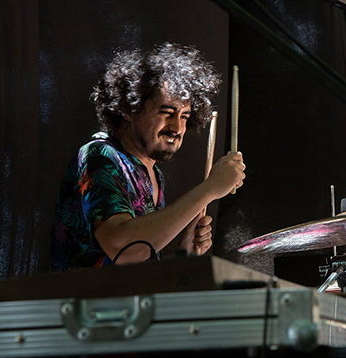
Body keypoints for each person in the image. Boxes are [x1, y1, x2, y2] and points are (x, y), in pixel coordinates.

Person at [51, 43, 245, 271]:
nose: (177, 128)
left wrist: (182, 253)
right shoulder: (100, 155)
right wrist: (209, 189)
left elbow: (140, 260)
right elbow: (124, 249)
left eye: (184, 116)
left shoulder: (153, 174)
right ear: (128, 108)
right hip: (83, 305)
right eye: (166, 113)